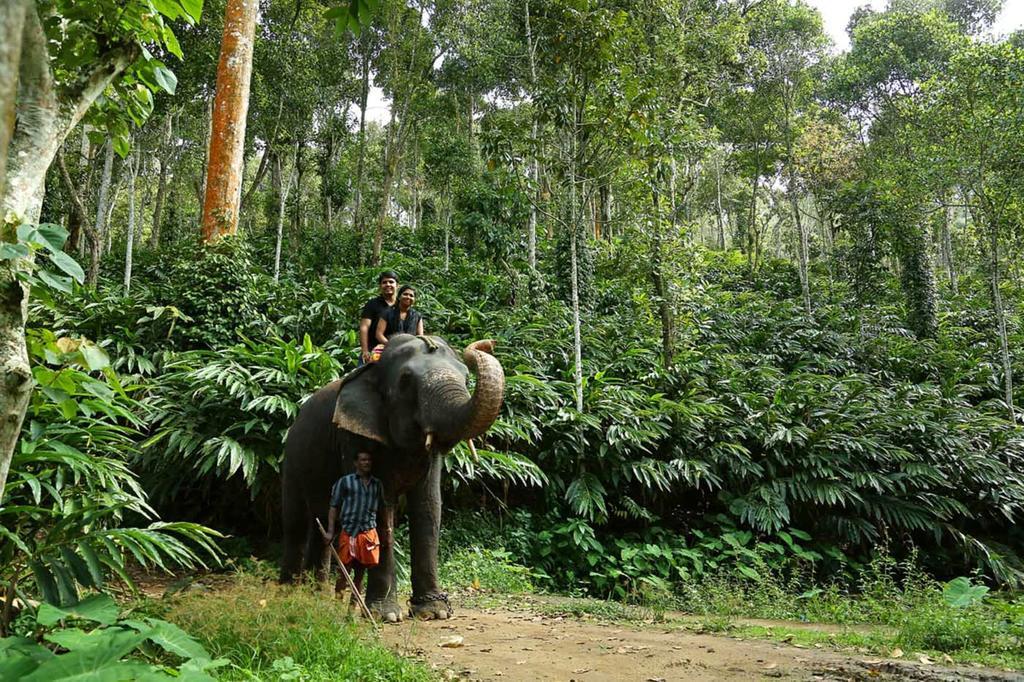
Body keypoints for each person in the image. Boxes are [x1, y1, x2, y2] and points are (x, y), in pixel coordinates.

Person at [322, 452, 384, 604]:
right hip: (349, 532)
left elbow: (384, 509)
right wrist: (330, 531)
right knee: (344, 572)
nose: (366, 463)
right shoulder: (345, 482)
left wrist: (387, 531)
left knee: (360, 574)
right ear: (356, 463)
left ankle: (351, 611)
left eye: (369, 460)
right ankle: (337, 605)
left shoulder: (377, 484)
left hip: (367, 533)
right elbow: (333, 507)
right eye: (363, 460)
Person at [359, 271, 398, 364]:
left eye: (391, 282)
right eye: (384, 282)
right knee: (361, 375)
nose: (388, 284)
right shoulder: (372, 304)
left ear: (397, 285)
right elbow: (364, 327)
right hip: (373, 350)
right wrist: (365, 350)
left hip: (396, 350)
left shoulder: (401, 305)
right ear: (380, 286)